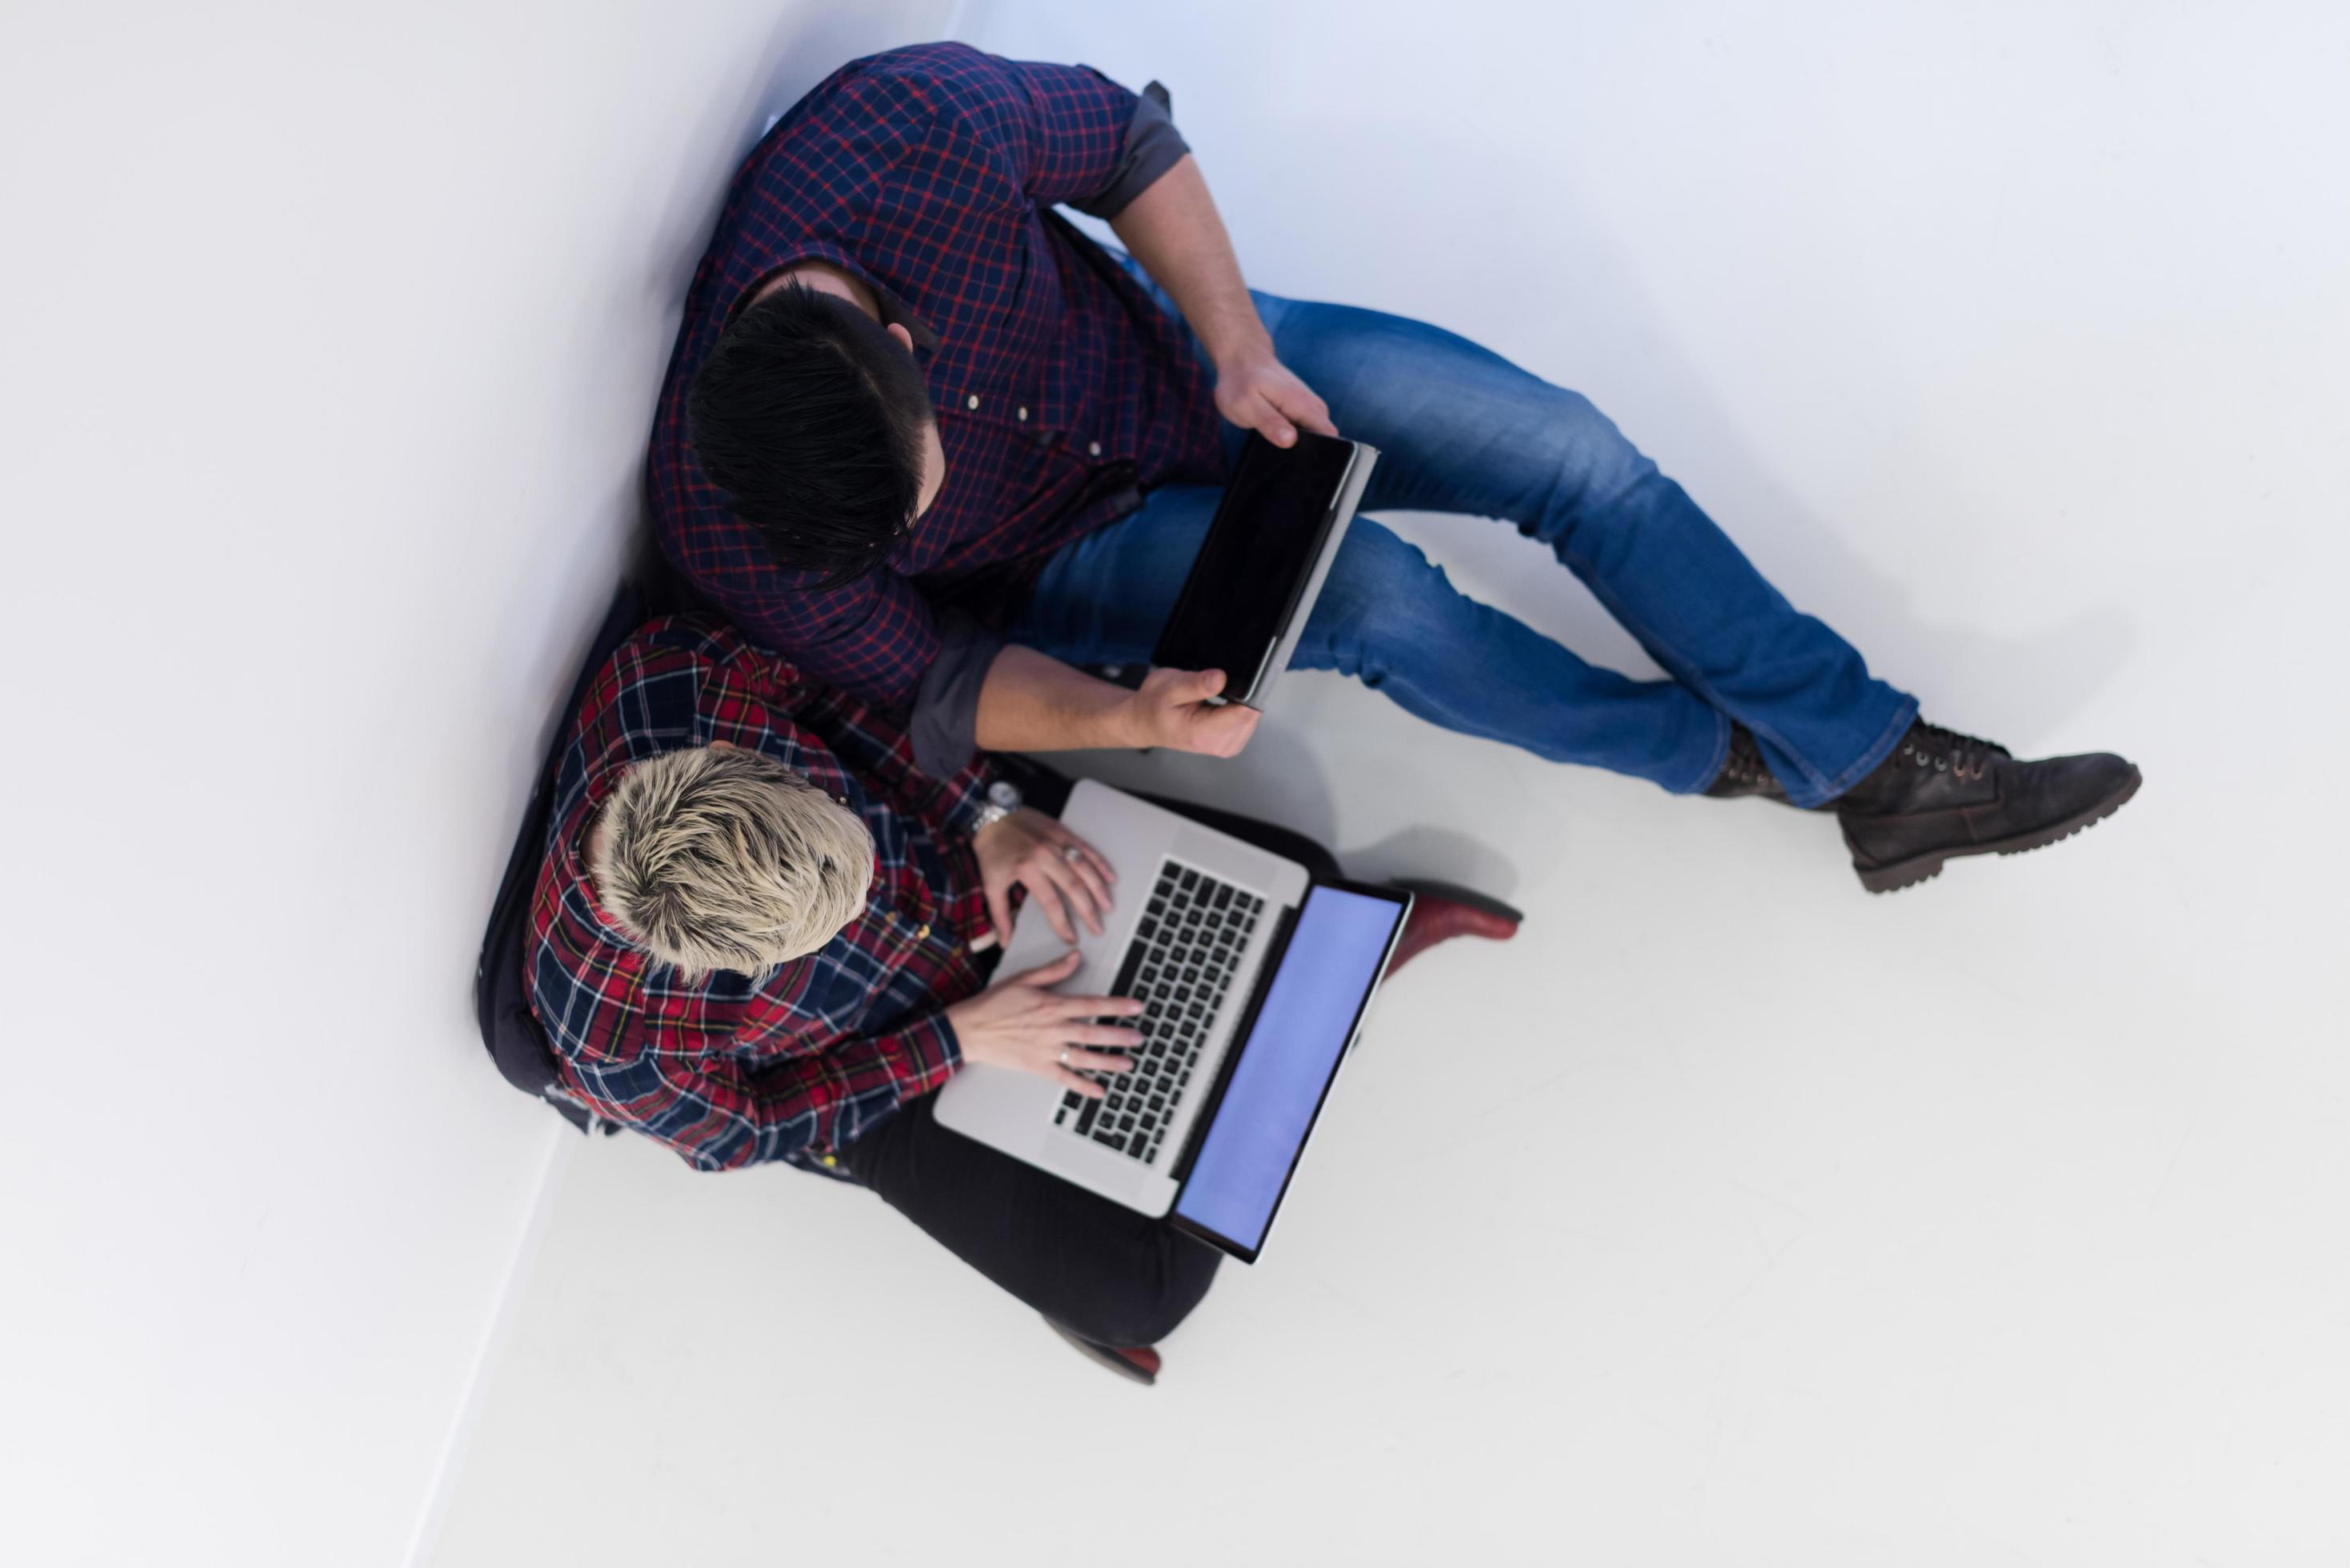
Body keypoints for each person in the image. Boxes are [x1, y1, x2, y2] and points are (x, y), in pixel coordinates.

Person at [651, 43, 2139, 894]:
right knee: (1383, 607)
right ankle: (1726, 757)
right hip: (1069, 553)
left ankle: (1872, 766)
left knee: (1567, 451)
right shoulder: (740, 530)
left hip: (1192, 359)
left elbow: (1123, 144)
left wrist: (1234, 342)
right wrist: (1116, 711)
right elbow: (940, 681)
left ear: (894, 333)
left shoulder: (897, 134)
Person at [526, 614, 1508, 1383]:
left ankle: (1321, 981)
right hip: (883, 1060)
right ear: (708, 964)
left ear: (742, 768)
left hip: (952, 862)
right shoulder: (616, 1039)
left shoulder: (685, 672)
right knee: (1139, 1292)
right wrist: (953, 1041)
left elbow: (839, 696)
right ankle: (1322, 993)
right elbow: (736, 1132)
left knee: (1297, 874)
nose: (864, 905)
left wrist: (986, 811)